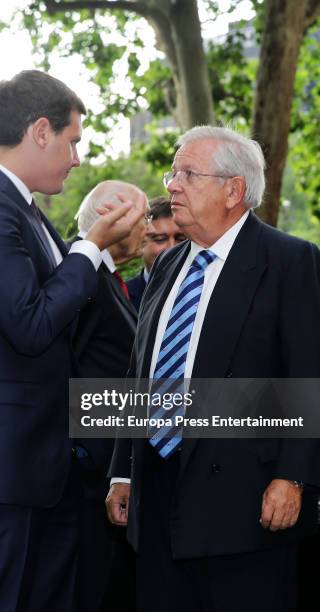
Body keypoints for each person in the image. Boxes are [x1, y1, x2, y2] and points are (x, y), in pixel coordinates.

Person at [0, 70, 145, 612]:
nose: (76, 158)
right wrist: (91, 247)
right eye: (73, 141)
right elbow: (31, 324)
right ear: (40, 131)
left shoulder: (20, 207)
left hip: (38, 468)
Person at [107, 125, 320, 612]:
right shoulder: (165, 265)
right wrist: (122, 471)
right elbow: (141, 369)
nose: (172, 185)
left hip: (245, 505)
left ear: (233, 190)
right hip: (157, 500)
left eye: (187, 174)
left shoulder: (290, 261)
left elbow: (309, 375)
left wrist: (294, 477)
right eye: (172, 173)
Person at [72, 180, 147, 612]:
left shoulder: (109, 279)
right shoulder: (80, 277)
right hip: (87, 481)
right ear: (113, 221)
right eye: (143, 218)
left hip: (108, 476)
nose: (148, 227)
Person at [126, 196, 186, 310]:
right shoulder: (123, 296)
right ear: (141, 242)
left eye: (181, 239)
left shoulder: (205, 290)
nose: (172, 247)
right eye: (160, 239)